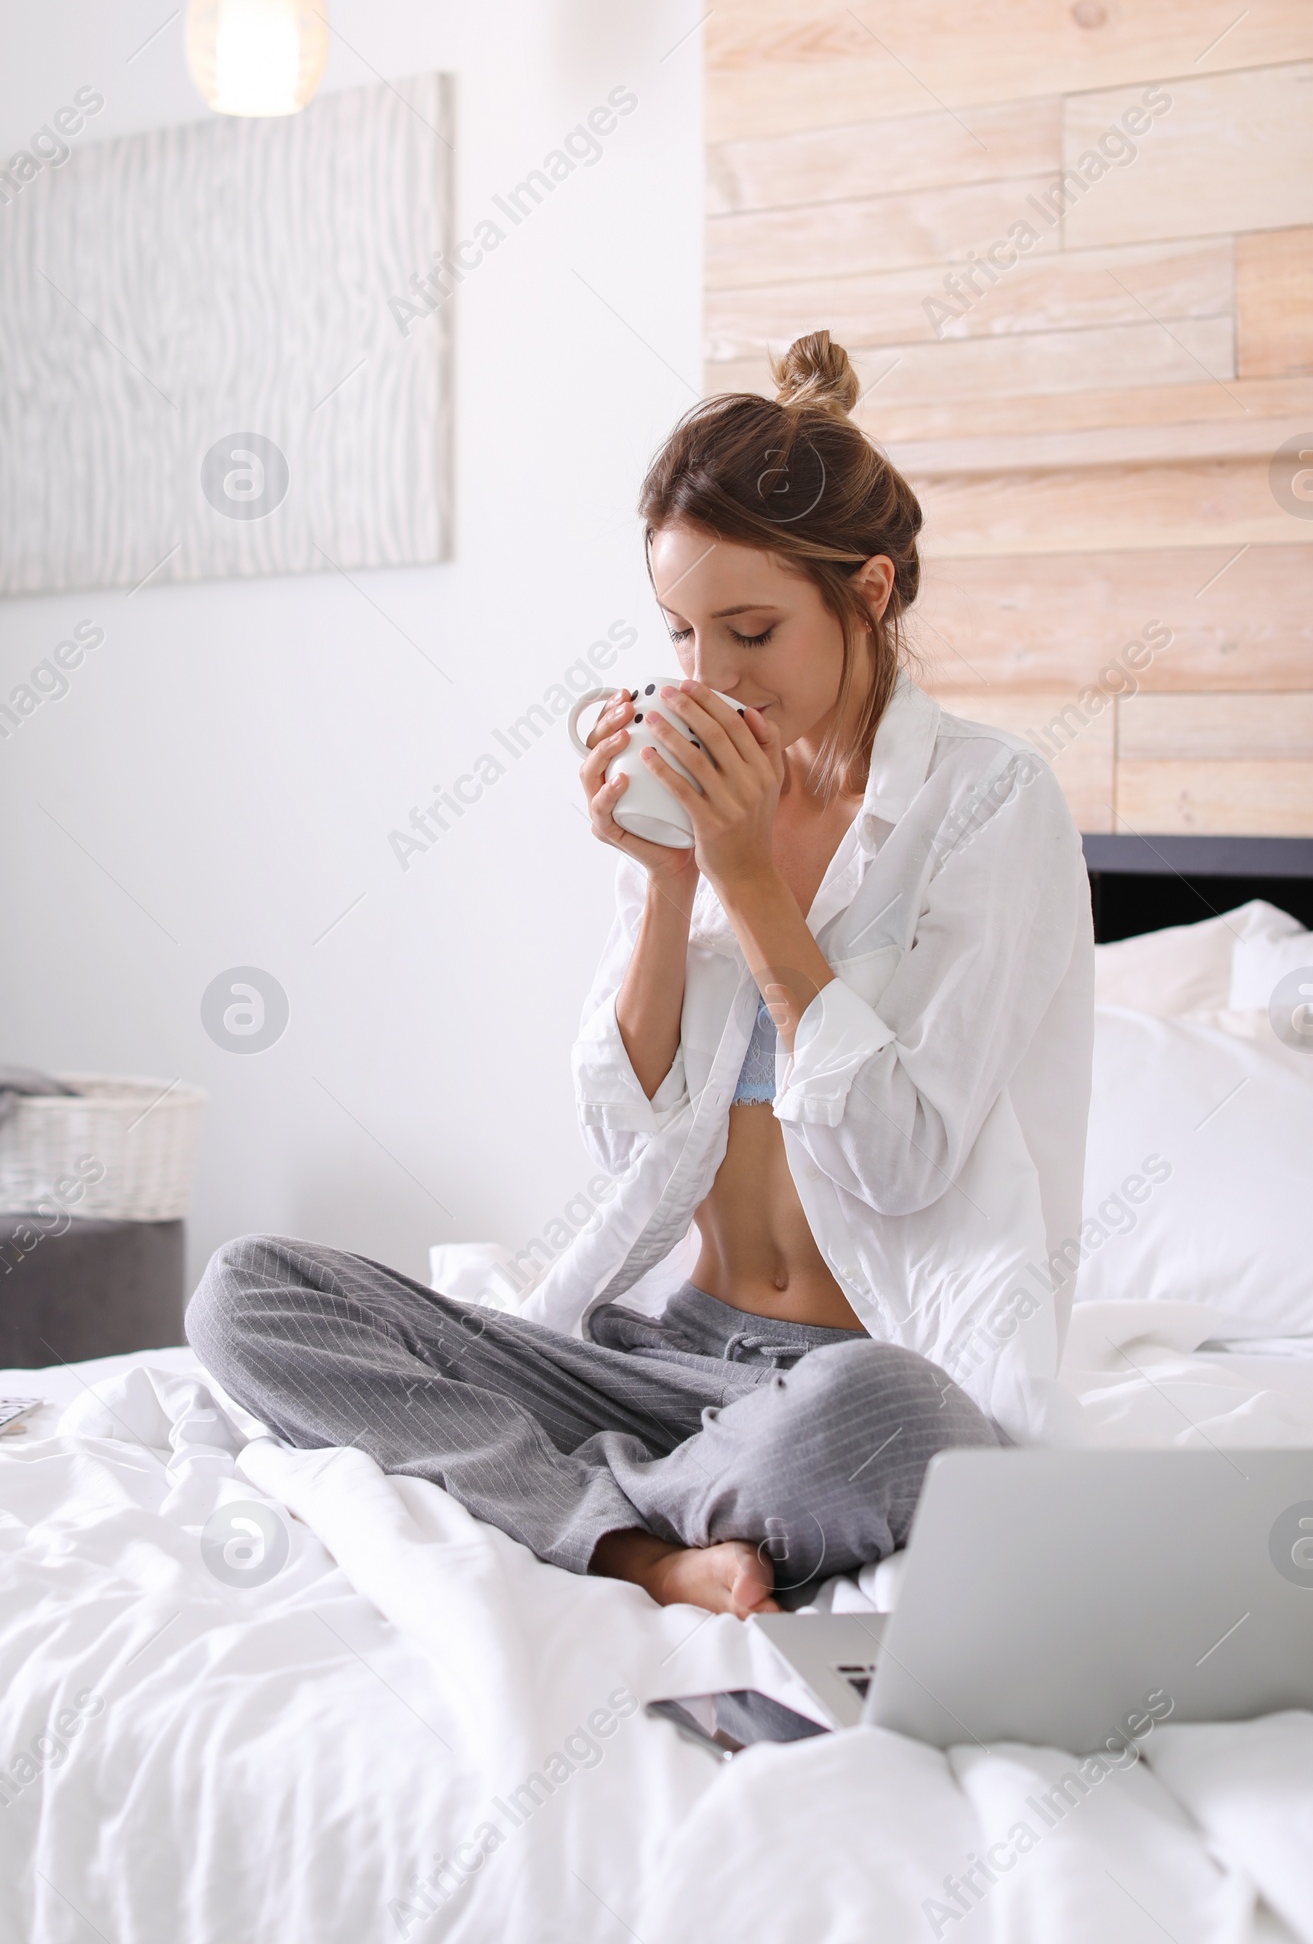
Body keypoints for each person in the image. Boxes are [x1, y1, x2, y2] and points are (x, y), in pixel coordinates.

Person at [186, 332, 1094, 1619]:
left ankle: (552, 1497)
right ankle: (638, 1544)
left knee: (887, 1420)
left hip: (847, 1374)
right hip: (653, 1355)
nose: (708, 680)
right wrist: (667, 886)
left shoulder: (991, 803)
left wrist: (752, 886)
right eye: (680, 634)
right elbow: (628, 1141)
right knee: (248, 1296)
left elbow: (903, 1159)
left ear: (872, 591)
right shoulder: (699, 803)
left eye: (752, 630)